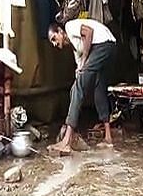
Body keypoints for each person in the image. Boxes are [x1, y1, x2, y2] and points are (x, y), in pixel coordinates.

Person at [47, 18, 117, 154]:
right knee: (98, 87)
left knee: (77, 88)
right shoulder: (75, 49)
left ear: (60, 31)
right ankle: (108, 138)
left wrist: (85, 60)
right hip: (109, 46)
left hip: (102, 45)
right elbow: (80, 74)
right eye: (52, 42)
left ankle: (66, 141)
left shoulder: (69, 26)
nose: (55, 44)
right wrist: (80, 73)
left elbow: (89, 32)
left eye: (54, 39)